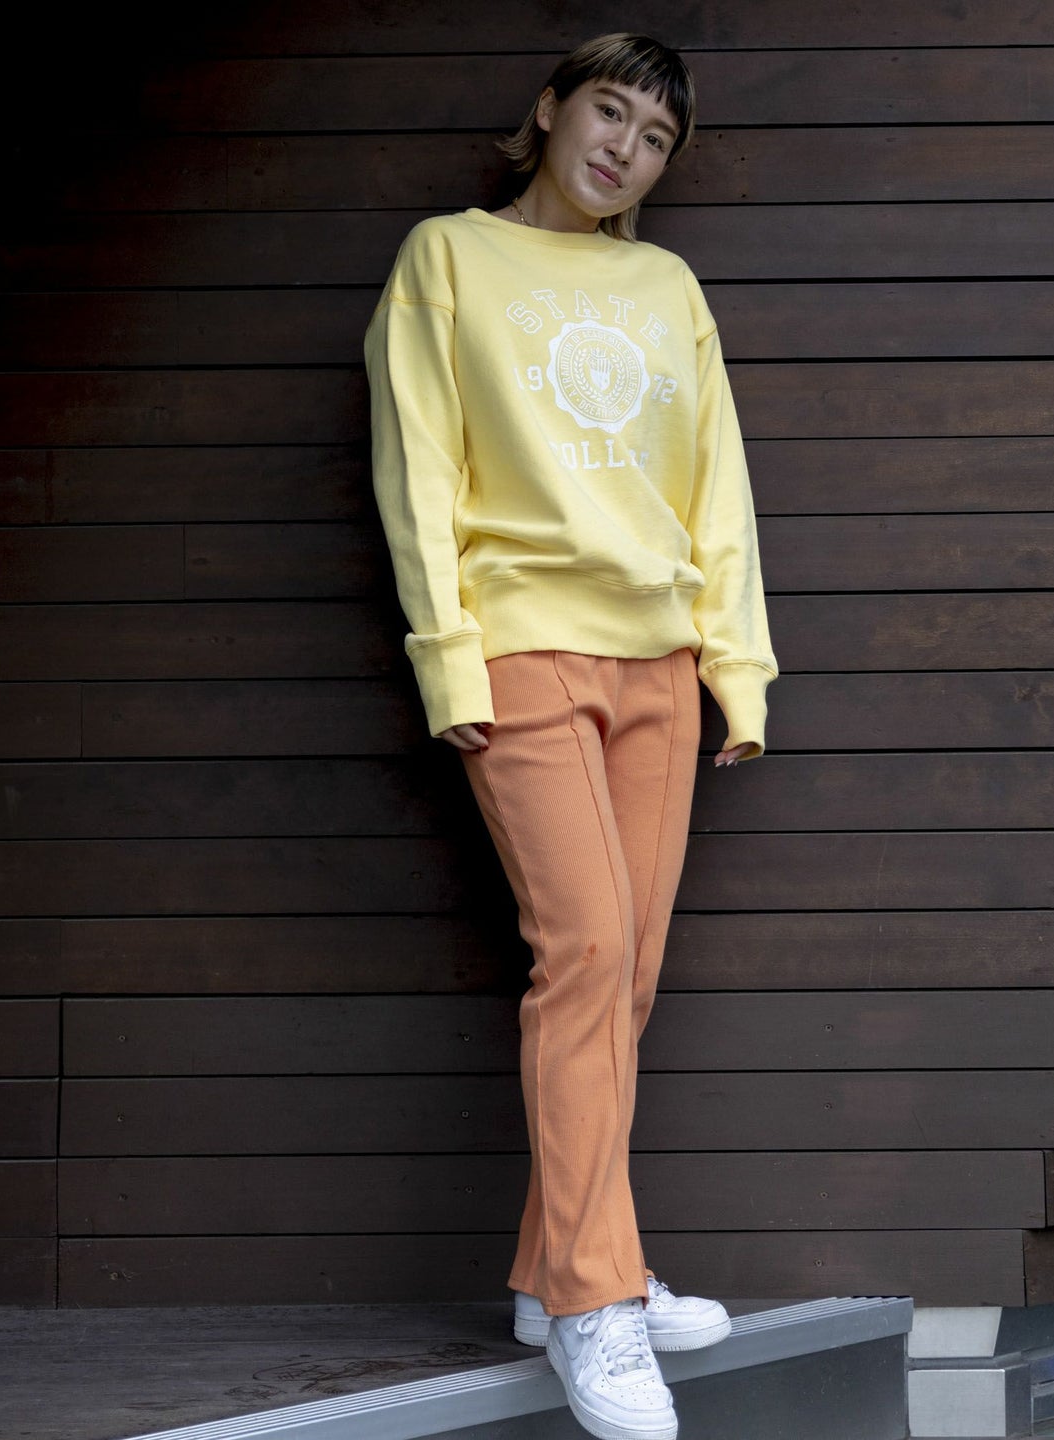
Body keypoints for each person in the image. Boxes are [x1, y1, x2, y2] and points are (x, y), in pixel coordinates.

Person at [365, 33, 776, 1440]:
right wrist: (448, 655)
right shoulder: (450, 258)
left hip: (661, 658)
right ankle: (599, 1306)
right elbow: (417, 463)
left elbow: (717, 485)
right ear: (549, 111)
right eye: (610, 113)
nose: (625, 150)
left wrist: (738, 669)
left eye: (656, 139)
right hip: (522, 641)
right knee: (588, 951)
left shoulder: (668, 287)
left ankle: (561, 1274)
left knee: (627, 974)